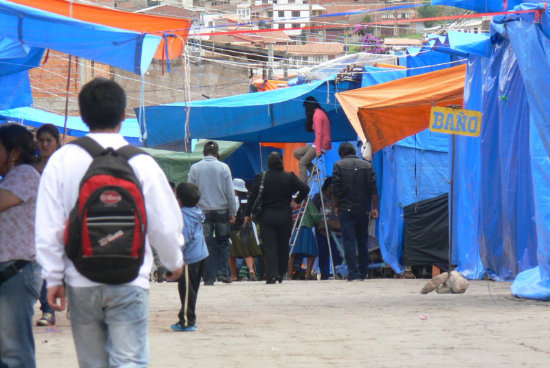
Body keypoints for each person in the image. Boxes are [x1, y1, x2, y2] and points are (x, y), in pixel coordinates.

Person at [35, 78, 184, 368]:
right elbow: (164, 224)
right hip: (130, 278)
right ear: (123, 114)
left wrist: (53, 277)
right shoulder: (142, 162)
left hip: (81, 277)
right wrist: (174, 261)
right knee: (129, 361)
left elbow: (48, 226)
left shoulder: (61, 160)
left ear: (82, 115)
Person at [0, 124, 42, 368]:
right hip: (10, 271)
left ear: (14, 152)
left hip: (16, 271)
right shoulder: (10, 178)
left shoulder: (25, 174)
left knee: (14, 353)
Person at [245, 152, 309, 284]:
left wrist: (247, 213)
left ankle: (271, 275)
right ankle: (281, 273)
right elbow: (305, 188)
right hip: (285, 215)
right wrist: (296, 201)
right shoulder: (289, 176)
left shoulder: (263, 177)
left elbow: (252, 196)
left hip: (267, 216)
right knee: (283, 245)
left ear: (269, 163)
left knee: (270, 246)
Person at [188, 140, 237, 285]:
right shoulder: (224, 168)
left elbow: (190, 190)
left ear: (203, 153)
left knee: (206, 242)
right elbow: (230, 191)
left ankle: (209, 277)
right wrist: (232, 211)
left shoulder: (195, 168)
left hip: (203, 211)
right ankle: (223, 273)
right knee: (223, 242)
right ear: (217, 154)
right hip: (222, 209)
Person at [332, 142, 379, 281]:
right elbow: (373, 190)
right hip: (363, 209)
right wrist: (374, 208)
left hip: (345, 209)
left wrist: (336, 205)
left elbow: (336, 190)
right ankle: (364, 272)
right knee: (362, 240)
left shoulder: (338, 165)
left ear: (341, 154)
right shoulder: (367, 166)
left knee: (349, 240)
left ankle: (353, 273)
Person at [34, 123, 62, 327]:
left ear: (56, 142)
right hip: (33, 224)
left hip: (57, 224)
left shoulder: (61, 167)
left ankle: (51, 308)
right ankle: (46, 309)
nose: (44, 144)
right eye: (41, 140)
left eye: (48, 140)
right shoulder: (30, 168)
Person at [172, 182, 209, 332]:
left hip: (190, 258)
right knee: (189, 288)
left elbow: (183, 239)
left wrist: (176, 257)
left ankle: (187, 321)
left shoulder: (184, 216)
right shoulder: (196, 212)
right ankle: (185, 316)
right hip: (200, 255)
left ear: (179, 199)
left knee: (187, 290)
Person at [229, 178, 262, 281]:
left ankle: (234, 275)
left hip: (235, 229)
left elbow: (232, 214)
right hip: (248, 228)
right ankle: (251, 270)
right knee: (247, 252)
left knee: (232, 254)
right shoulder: (248, 198)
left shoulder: (233, 198)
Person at [293, 96, 332, 183]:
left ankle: (302, 187)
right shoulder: (320, 112)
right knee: (296, 152)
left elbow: (319, 134)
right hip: (320, 143)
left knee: (301, 163)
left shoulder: (317, 115)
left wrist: (318, 150)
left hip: (321, 144)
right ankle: (313, 170)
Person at [312, 177, 343, 280]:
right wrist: (318, 225)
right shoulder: (319, 197)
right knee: (323, 252)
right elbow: (313, 213)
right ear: (328, 186)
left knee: (337, 253)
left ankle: (338, 272)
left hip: (336, 231)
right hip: (322, 231)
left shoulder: (337, 198)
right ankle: (325, 274)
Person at [288, 200, 321, 280]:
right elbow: (316, 216)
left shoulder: (291, 202)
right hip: (305, 228)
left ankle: (290, 276)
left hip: (294, 230)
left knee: (292, 253)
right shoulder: (307, 202)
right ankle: (308, 274)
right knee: (312, 252)